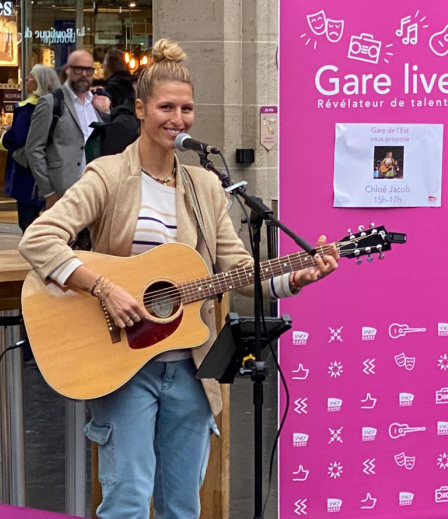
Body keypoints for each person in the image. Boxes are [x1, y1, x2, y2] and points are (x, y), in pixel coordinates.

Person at [19, 39, 339, 519]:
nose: (178, 118)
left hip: (191, 366)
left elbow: (237, 272)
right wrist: (103, 286)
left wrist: (295, 278)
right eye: (166, 107)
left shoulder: (205, 185)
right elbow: (39, 239)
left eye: (187, 109)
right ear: (142, 108)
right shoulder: (108, 175)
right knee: (126, 500)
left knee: (183, 505)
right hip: (123, 364)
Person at [25, 50, 108, 210]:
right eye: (78, 69)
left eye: (88, 70)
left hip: (95, 190)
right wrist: (49, 192)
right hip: (63, 191)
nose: (83, 74)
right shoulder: (51, 102)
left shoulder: (98, 104)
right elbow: (34, 149)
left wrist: (106, 113)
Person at [2, 65, 60, 232]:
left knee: (28, 220)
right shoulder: (59, 105)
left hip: (27, 172)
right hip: (53, 168)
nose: (26, 80)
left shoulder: (27, 108)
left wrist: (6, 139)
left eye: (31, 77)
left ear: (40, 81)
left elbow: (17, 138)